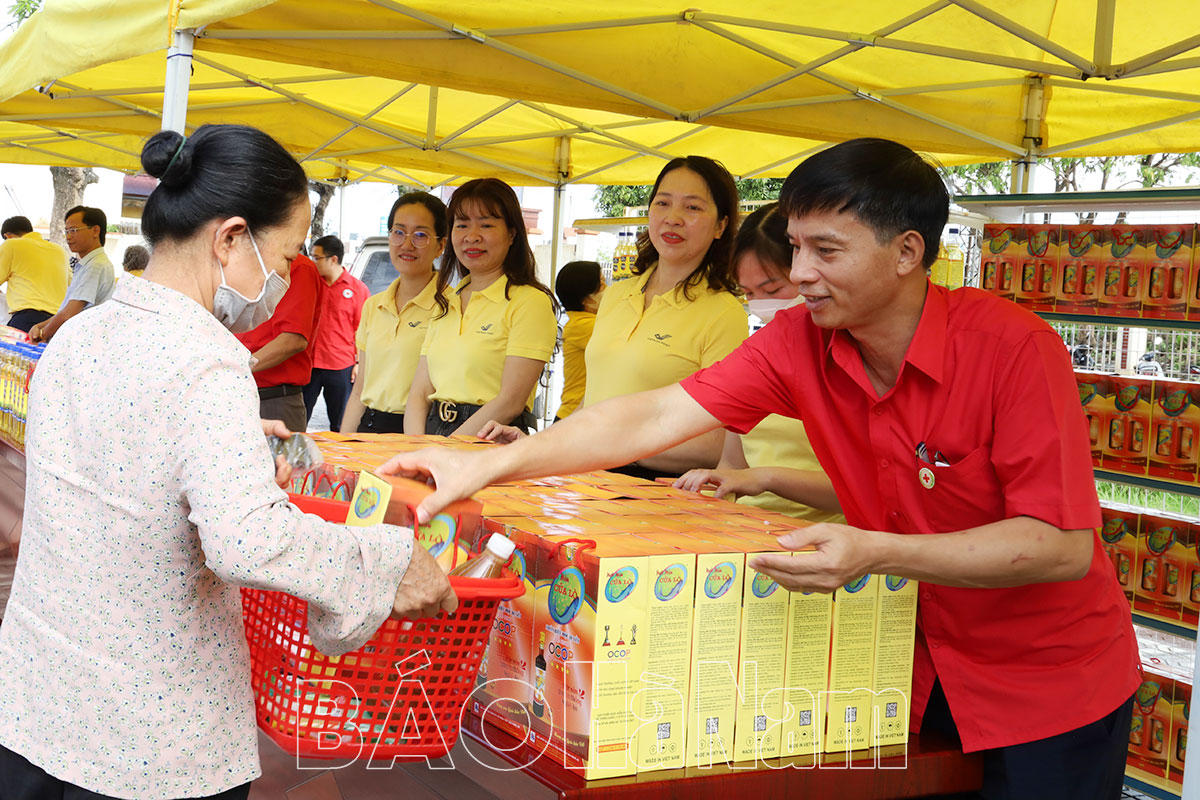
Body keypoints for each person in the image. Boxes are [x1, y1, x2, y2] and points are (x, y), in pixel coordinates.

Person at [383, 138, 1140, 800]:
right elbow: (650, 416)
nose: (801, 273)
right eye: (796, 247)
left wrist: (879, 552)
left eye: (826, 251)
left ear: (908, 252)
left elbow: (1060, 544)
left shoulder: (1012, 348)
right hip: (900, 673)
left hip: (1048, 688)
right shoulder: (799, 342)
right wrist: (489, 466)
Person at [0, 124, 455, 799]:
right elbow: (247, 541)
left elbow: (117, 463)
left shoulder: (81, 333)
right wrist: (390, 559)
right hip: (146, 733)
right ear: (232, 237)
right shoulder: (208, 360)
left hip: (39, 697)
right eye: (287, 254)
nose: (287, 275)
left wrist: (234, 447)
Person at [579, 155, 748, 480]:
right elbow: (592, 399)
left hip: (652, 490)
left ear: (721, 226)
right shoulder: (616, 295)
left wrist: (617, 441)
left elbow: (719, 444)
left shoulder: (724, 313)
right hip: (584, 474)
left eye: (693, 208)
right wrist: (545, 444)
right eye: (663, 203)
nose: (673, 218)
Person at [674, 203, 842, 523]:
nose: (761, 305)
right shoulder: (760, 356)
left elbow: (869, 491)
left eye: (773, 288)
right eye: (749, 293)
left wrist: (766, 478)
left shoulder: (852, 362)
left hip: (827, 546)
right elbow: (732, 466)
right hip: (752, 537)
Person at [405, 178, 557, 437]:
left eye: (486, 225)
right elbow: (419, 394)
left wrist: (445, 452)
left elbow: (510, 401)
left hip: (492, 438)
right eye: (461, 225)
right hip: (433, 434)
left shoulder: (530, 302)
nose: (471, 237)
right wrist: (416, 448)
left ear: (512, 234)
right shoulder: (446, 300)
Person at [341, 193, 446, 435]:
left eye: (420, 235)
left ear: (440, 245)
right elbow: (360, 390)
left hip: (422, 431)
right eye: (399, 232)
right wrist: (343, 445)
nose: (407, 244)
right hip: (368, 427)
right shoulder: (373, 306)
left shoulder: (449, 307)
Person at [234, 252, 325, 433]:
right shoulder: (238, 262)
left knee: (279, 461)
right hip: (237, 392)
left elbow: (293, 339)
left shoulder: (297, 266)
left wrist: (238, 367)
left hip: (273, 399)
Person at [303, 234, 368, 431]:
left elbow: (363, 330)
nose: (312, 262)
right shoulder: (309, 285)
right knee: (299, 420)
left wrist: (358, 363)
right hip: (310, 364)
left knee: (341, 425)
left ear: (333, 259)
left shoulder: (357, 290)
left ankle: (340, 461)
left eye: (316, 258)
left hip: (341, 365)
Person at [28, 206, 115, 342]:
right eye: (67, 231)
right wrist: (39, 326)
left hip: (81, 343)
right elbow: (65, 310)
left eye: (74, 231)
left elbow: (69, 314)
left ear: (95, 231)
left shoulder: (96, 265)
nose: (68, 237)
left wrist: (42, 335)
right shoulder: (86, 264)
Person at [552, 260, 603, 420]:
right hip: (573, 416)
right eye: (602, 284)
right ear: (586, 299)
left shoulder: (585, 322)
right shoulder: (583, 325)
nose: (609, 289)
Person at [0, 215, 69, 332]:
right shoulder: (59, 251)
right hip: (57, 323)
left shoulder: (12, 245)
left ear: (8, 236)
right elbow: (70, 282)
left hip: (27, 320)